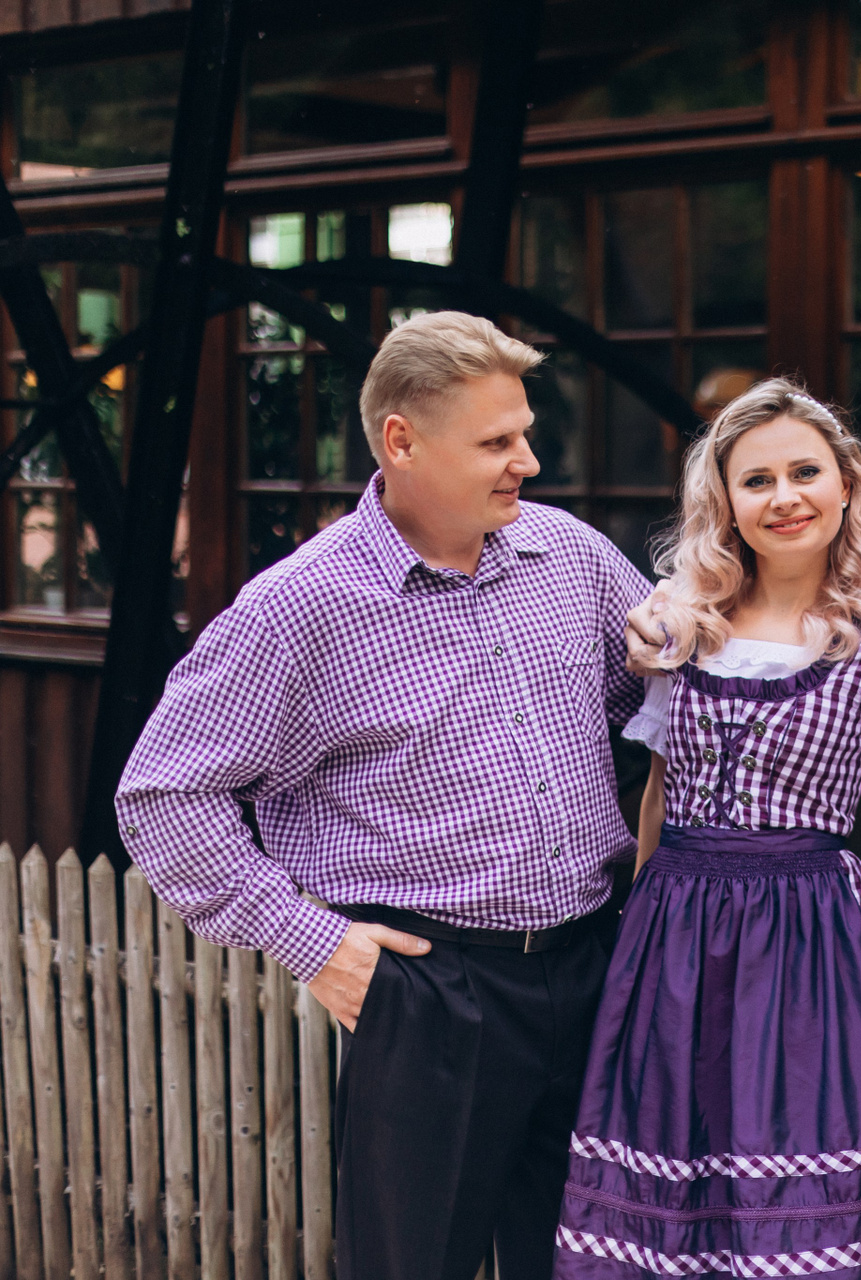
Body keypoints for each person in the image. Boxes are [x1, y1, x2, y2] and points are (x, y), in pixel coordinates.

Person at [116, 311, 651, 1280]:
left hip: (594, 965)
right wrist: (312, 941)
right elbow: (164, 793)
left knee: (597, 1264)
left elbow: (656, 700)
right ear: (402, 441)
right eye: (496, 442)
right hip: (431, 989)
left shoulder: (570, 555)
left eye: (525, 433)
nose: (527, 462)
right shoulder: (299, 606)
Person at [553, 379, 861, 1280]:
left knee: (782, 1171)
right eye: (757, 480)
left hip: (809, 941)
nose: (784, 497)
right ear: (724, 500)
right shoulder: (685, 623)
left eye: (806, 472)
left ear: (847, 484)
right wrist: (636, 931)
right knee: (662, 1175)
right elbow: (657, 791)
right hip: (671, 934)